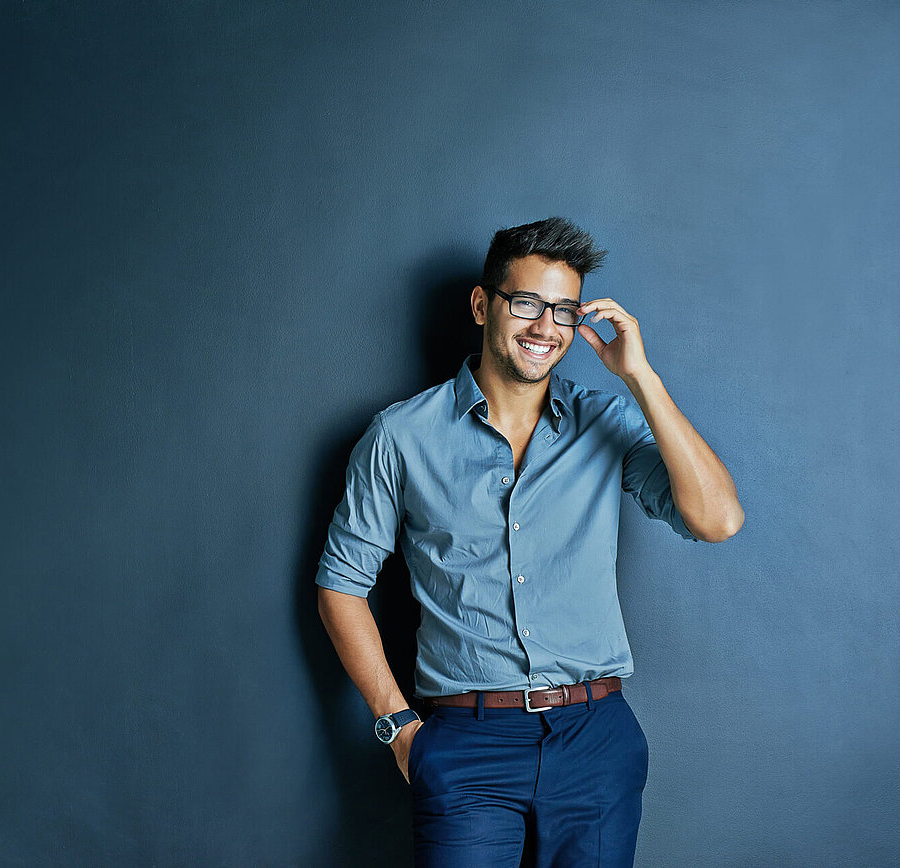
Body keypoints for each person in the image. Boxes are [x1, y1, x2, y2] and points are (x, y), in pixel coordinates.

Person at [315, 217, 743, 868]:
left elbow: (719, 521)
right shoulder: (400, 437)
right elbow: (341, 586)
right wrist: (397, 725)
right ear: (483, 306)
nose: (545, 327)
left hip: (596, 739)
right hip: (466, 742)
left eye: (564, 311)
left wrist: (641, 378)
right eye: (527, 304)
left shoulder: (606, 422)